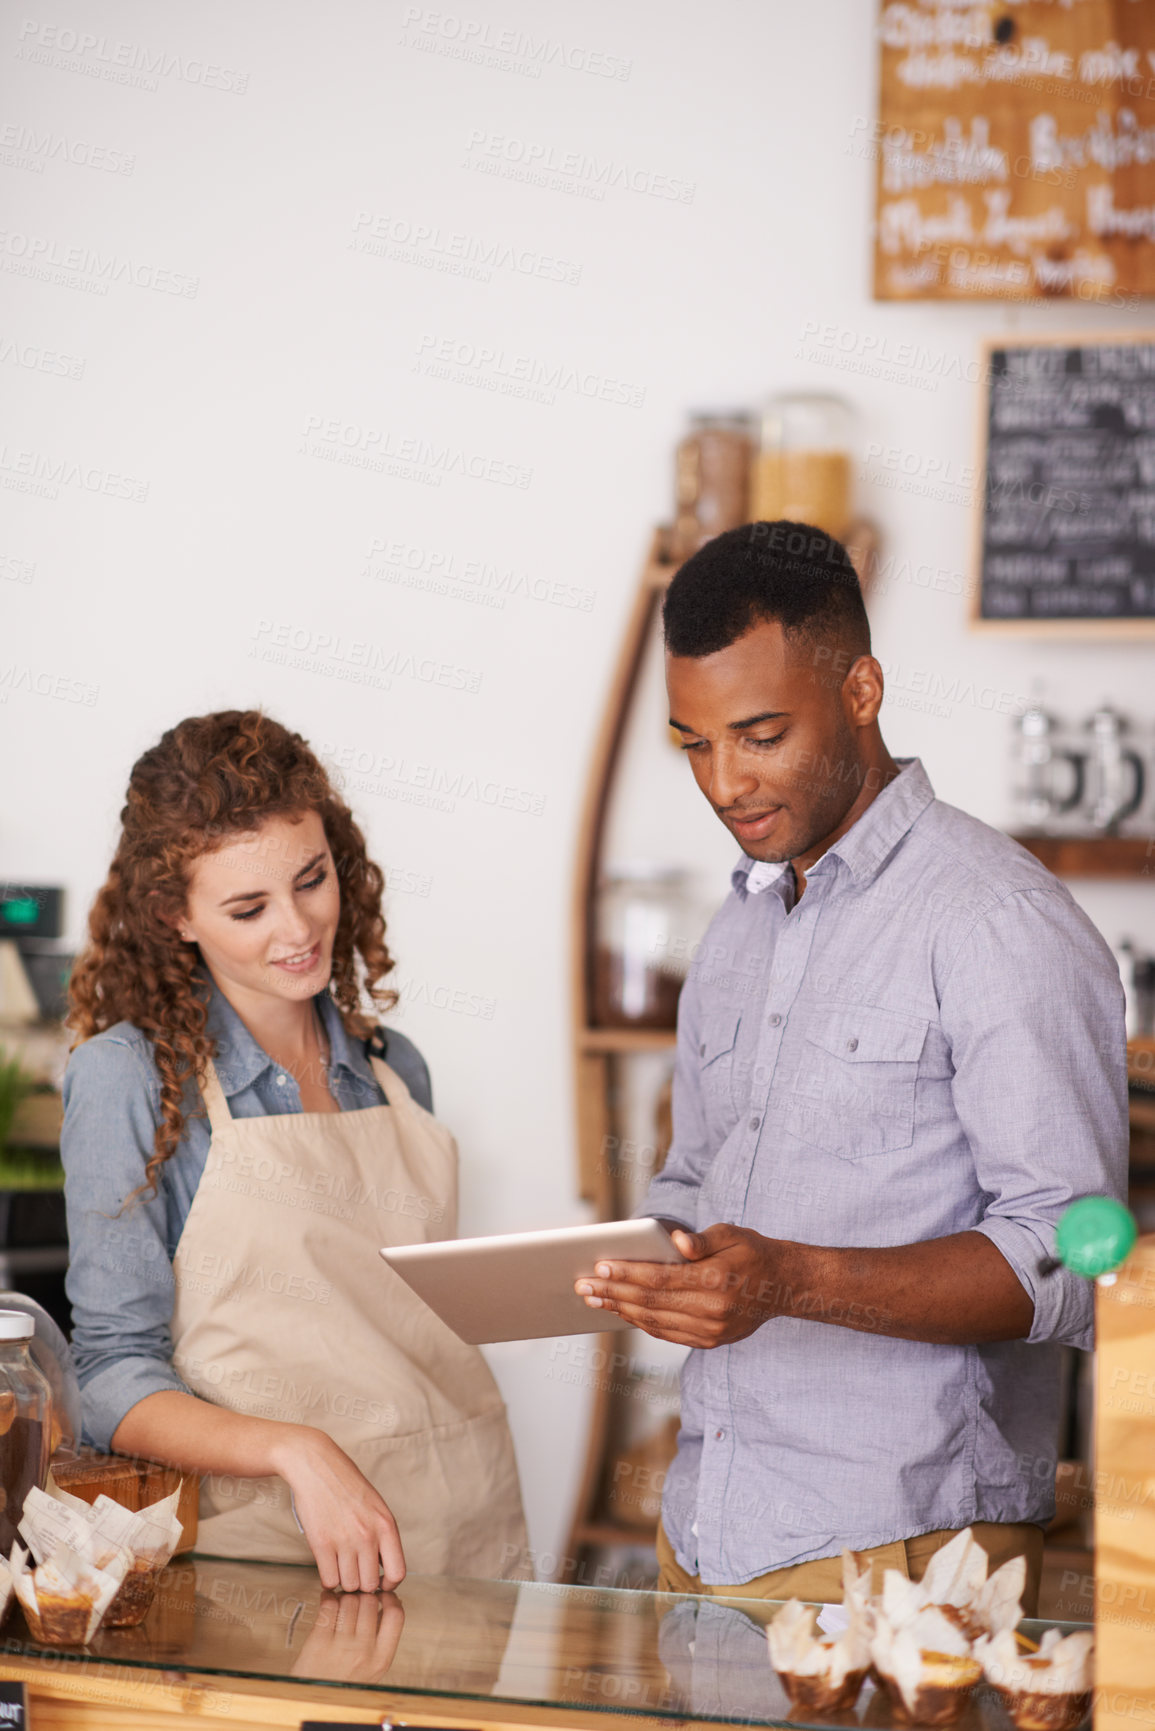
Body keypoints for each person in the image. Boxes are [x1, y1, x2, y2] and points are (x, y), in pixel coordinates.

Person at [576, 522, 1128, 1610]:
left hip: (911, 1555)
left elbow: (1075, 1262)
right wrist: (650, 1269)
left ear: (862, 690)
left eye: (761, 734)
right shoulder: (739, 930)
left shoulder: (999, 920)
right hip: (707, 1530)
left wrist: (789, 1279)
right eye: (694, 743)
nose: (725, 782)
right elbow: (696, 1184)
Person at [63, 710, 526, 1592]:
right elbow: (110, 1376)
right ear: (175, 914)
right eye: (248, 907)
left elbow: (405, 1326)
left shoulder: (395, 1070)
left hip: (461, 1526)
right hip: (269, 1561)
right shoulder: (130, 1079)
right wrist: (292, 1448)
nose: (297, 928)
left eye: (311, 880)